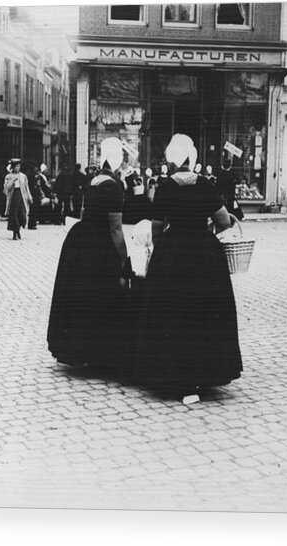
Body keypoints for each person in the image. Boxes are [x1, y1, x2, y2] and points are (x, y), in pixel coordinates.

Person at [134, 134, 242, 399]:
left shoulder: (165, 187)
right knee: (204, 312)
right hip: (205, 256)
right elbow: (225, 221)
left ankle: (171, 372)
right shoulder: (205, 184)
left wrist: (160, 251)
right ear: (191, 158)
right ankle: (204, 373)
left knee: (172, 312)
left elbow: (157, 227)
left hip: (172, 254)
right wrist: (206, 231)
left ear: (171, 160)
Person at [47, 137, 133, 370]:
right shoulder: (114, 186)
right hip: (101, 244)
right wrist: (125, 259)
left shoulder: (93, 181)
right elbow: (115, 228)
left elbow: (84, 213)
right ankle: (100, 352)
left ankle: (78, 348)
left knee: (82, 296)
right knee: (102, 295)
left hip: (81, 239)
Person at [4, 159, 32, 240]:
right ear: (13, 167)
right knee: (14, 215)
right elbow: (7, 188)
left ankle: (18, 229)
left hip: (22, 196)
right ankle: (15, 233)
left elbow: (27, 188)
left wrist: (29, 197)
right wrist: (13, 180)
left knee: (22, 215)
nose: (18, 168)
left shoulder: (23, 176)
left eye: (19, 166)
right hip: (13, 197)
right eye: (17, 166)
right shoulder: (8, 176)